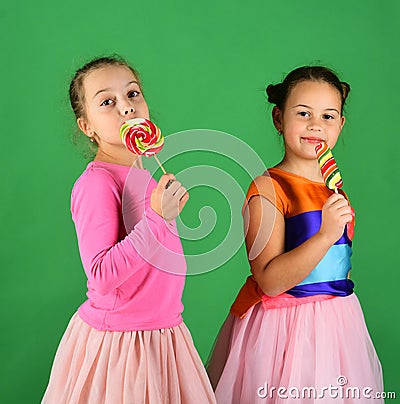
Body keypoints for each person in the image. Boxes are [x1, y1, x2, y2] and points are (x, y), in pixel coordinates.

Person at [42, 55, 216, 404]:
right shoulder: (97, 183)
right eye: (107, 102)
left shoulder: (145, 174)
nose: (126, 107)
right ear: (86, 126)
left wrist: (162, 214)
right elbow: (102, 275)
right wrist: (157, 218)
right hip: (122, 344)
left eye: (133, 94)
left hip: (166, 334)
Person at [207, 66, 383, 403]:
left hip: (337, 324)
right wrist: (325, 234)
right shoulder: (269, 188)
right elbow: (270, 281)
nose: (316, 124)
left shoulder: (335, 191)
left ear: (341, 125)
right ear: (278, 118)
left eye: (328, 116)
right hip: (282, 330)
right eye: (303, 113)